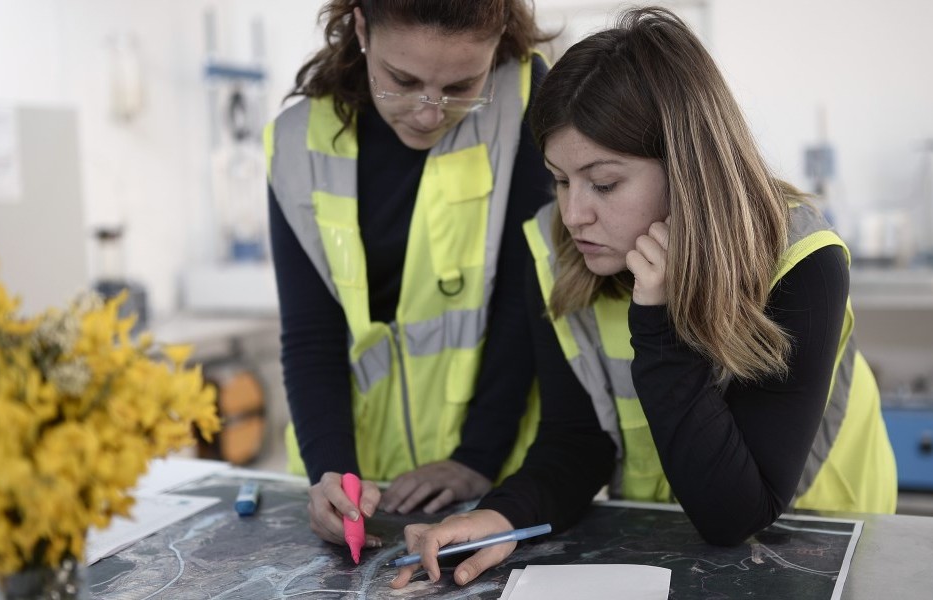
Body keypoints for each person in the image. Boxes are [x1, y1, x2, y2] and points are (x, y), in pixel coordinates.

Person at [392, 5, 897, 588]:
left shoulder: (801, 261)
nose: (574, 213)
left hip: (820, 540)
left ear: (687, 171)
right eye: (560, 179)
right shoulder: (557, 249)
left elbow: (736, 513)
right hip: (671, 536)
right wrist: (505, 515)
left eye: (604, 183)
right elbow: (577, 439)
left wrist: (657, 323)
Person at [263, 0, 556, 549]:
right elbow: (310, 336)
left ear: (496, 44)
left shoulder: (525, 100)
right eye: (402, 80)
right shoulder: (297, 143)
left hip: (490, 479)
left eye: (462, 85)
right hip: (360, 479)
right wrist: (330, 474)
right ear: (360, 28)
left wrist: (478, 457)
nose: (428, 112)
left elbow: (529, 300)